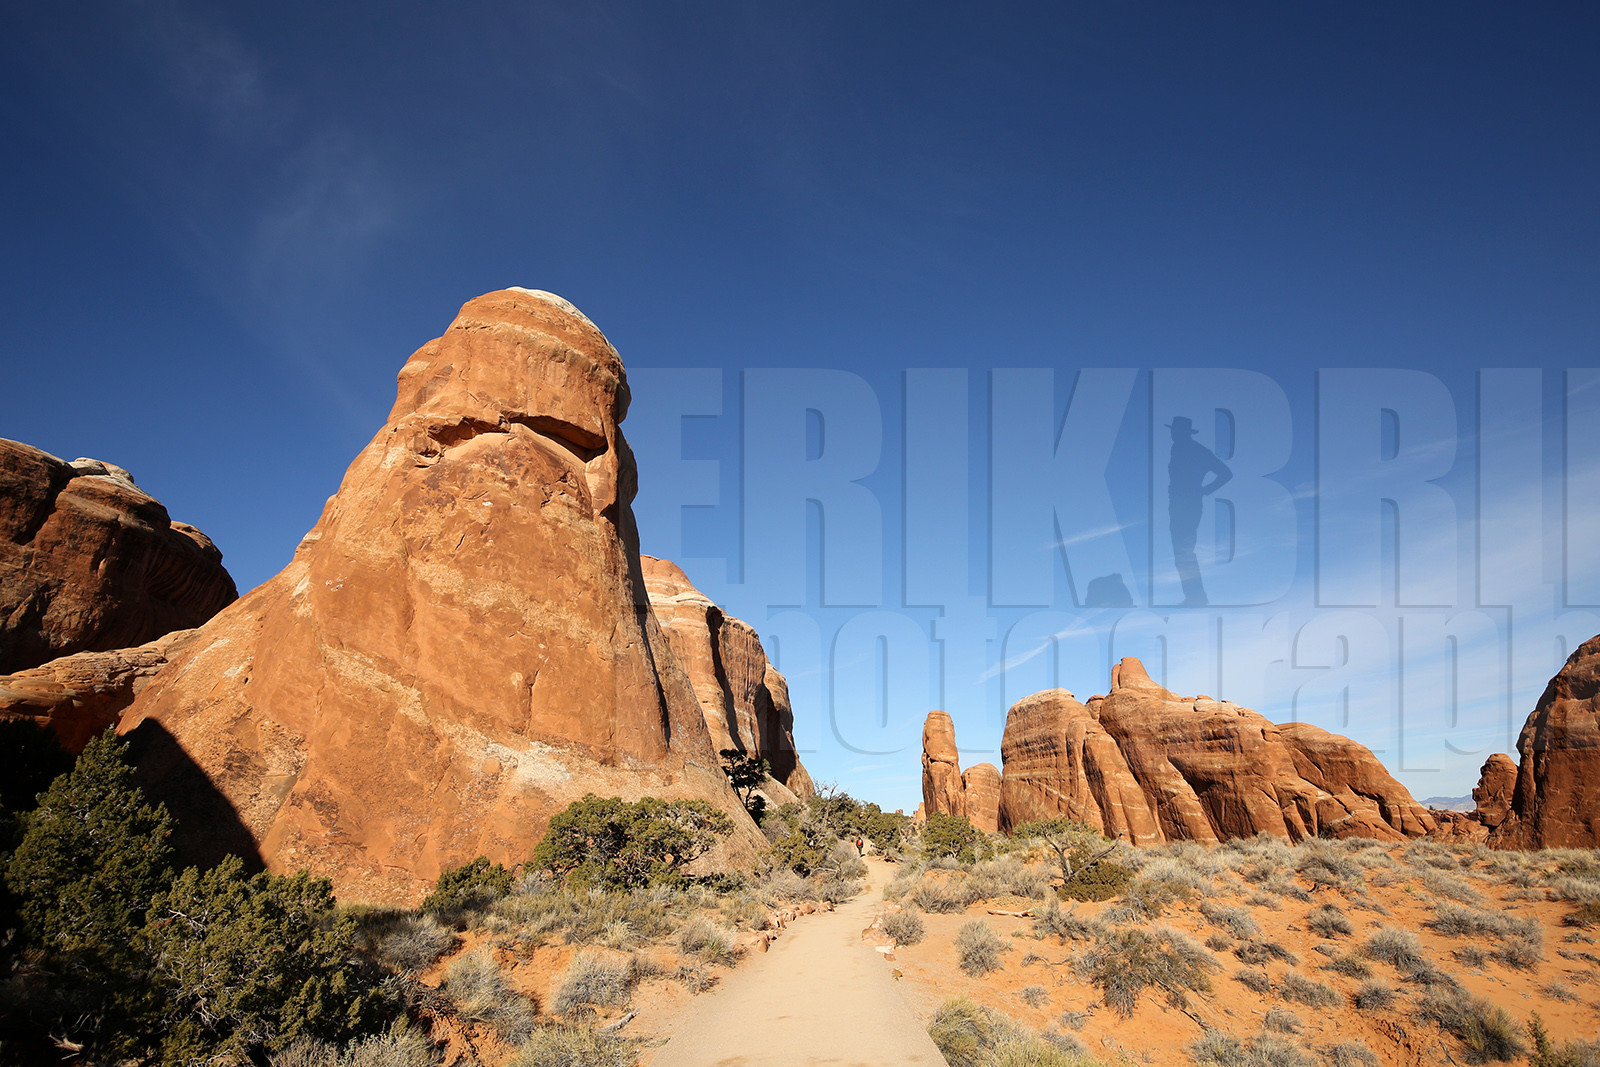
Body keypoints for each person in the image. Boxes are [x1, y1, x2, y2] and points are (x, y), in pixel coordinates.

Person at [1167, 416, 1232, 607]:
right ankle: (1194, 596)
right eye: (1172, 430)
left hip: (1188, 505)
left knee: (1184, 551)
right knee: (1181, 552)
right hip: (1178, 505)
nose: (1172, 433)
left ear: (1183, 432)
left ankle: (1196, 597)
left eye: (1175, 430)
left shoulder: (1197, 451)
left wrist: (1204, 490)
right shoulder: (1176, 449)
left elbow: (1226, 473)